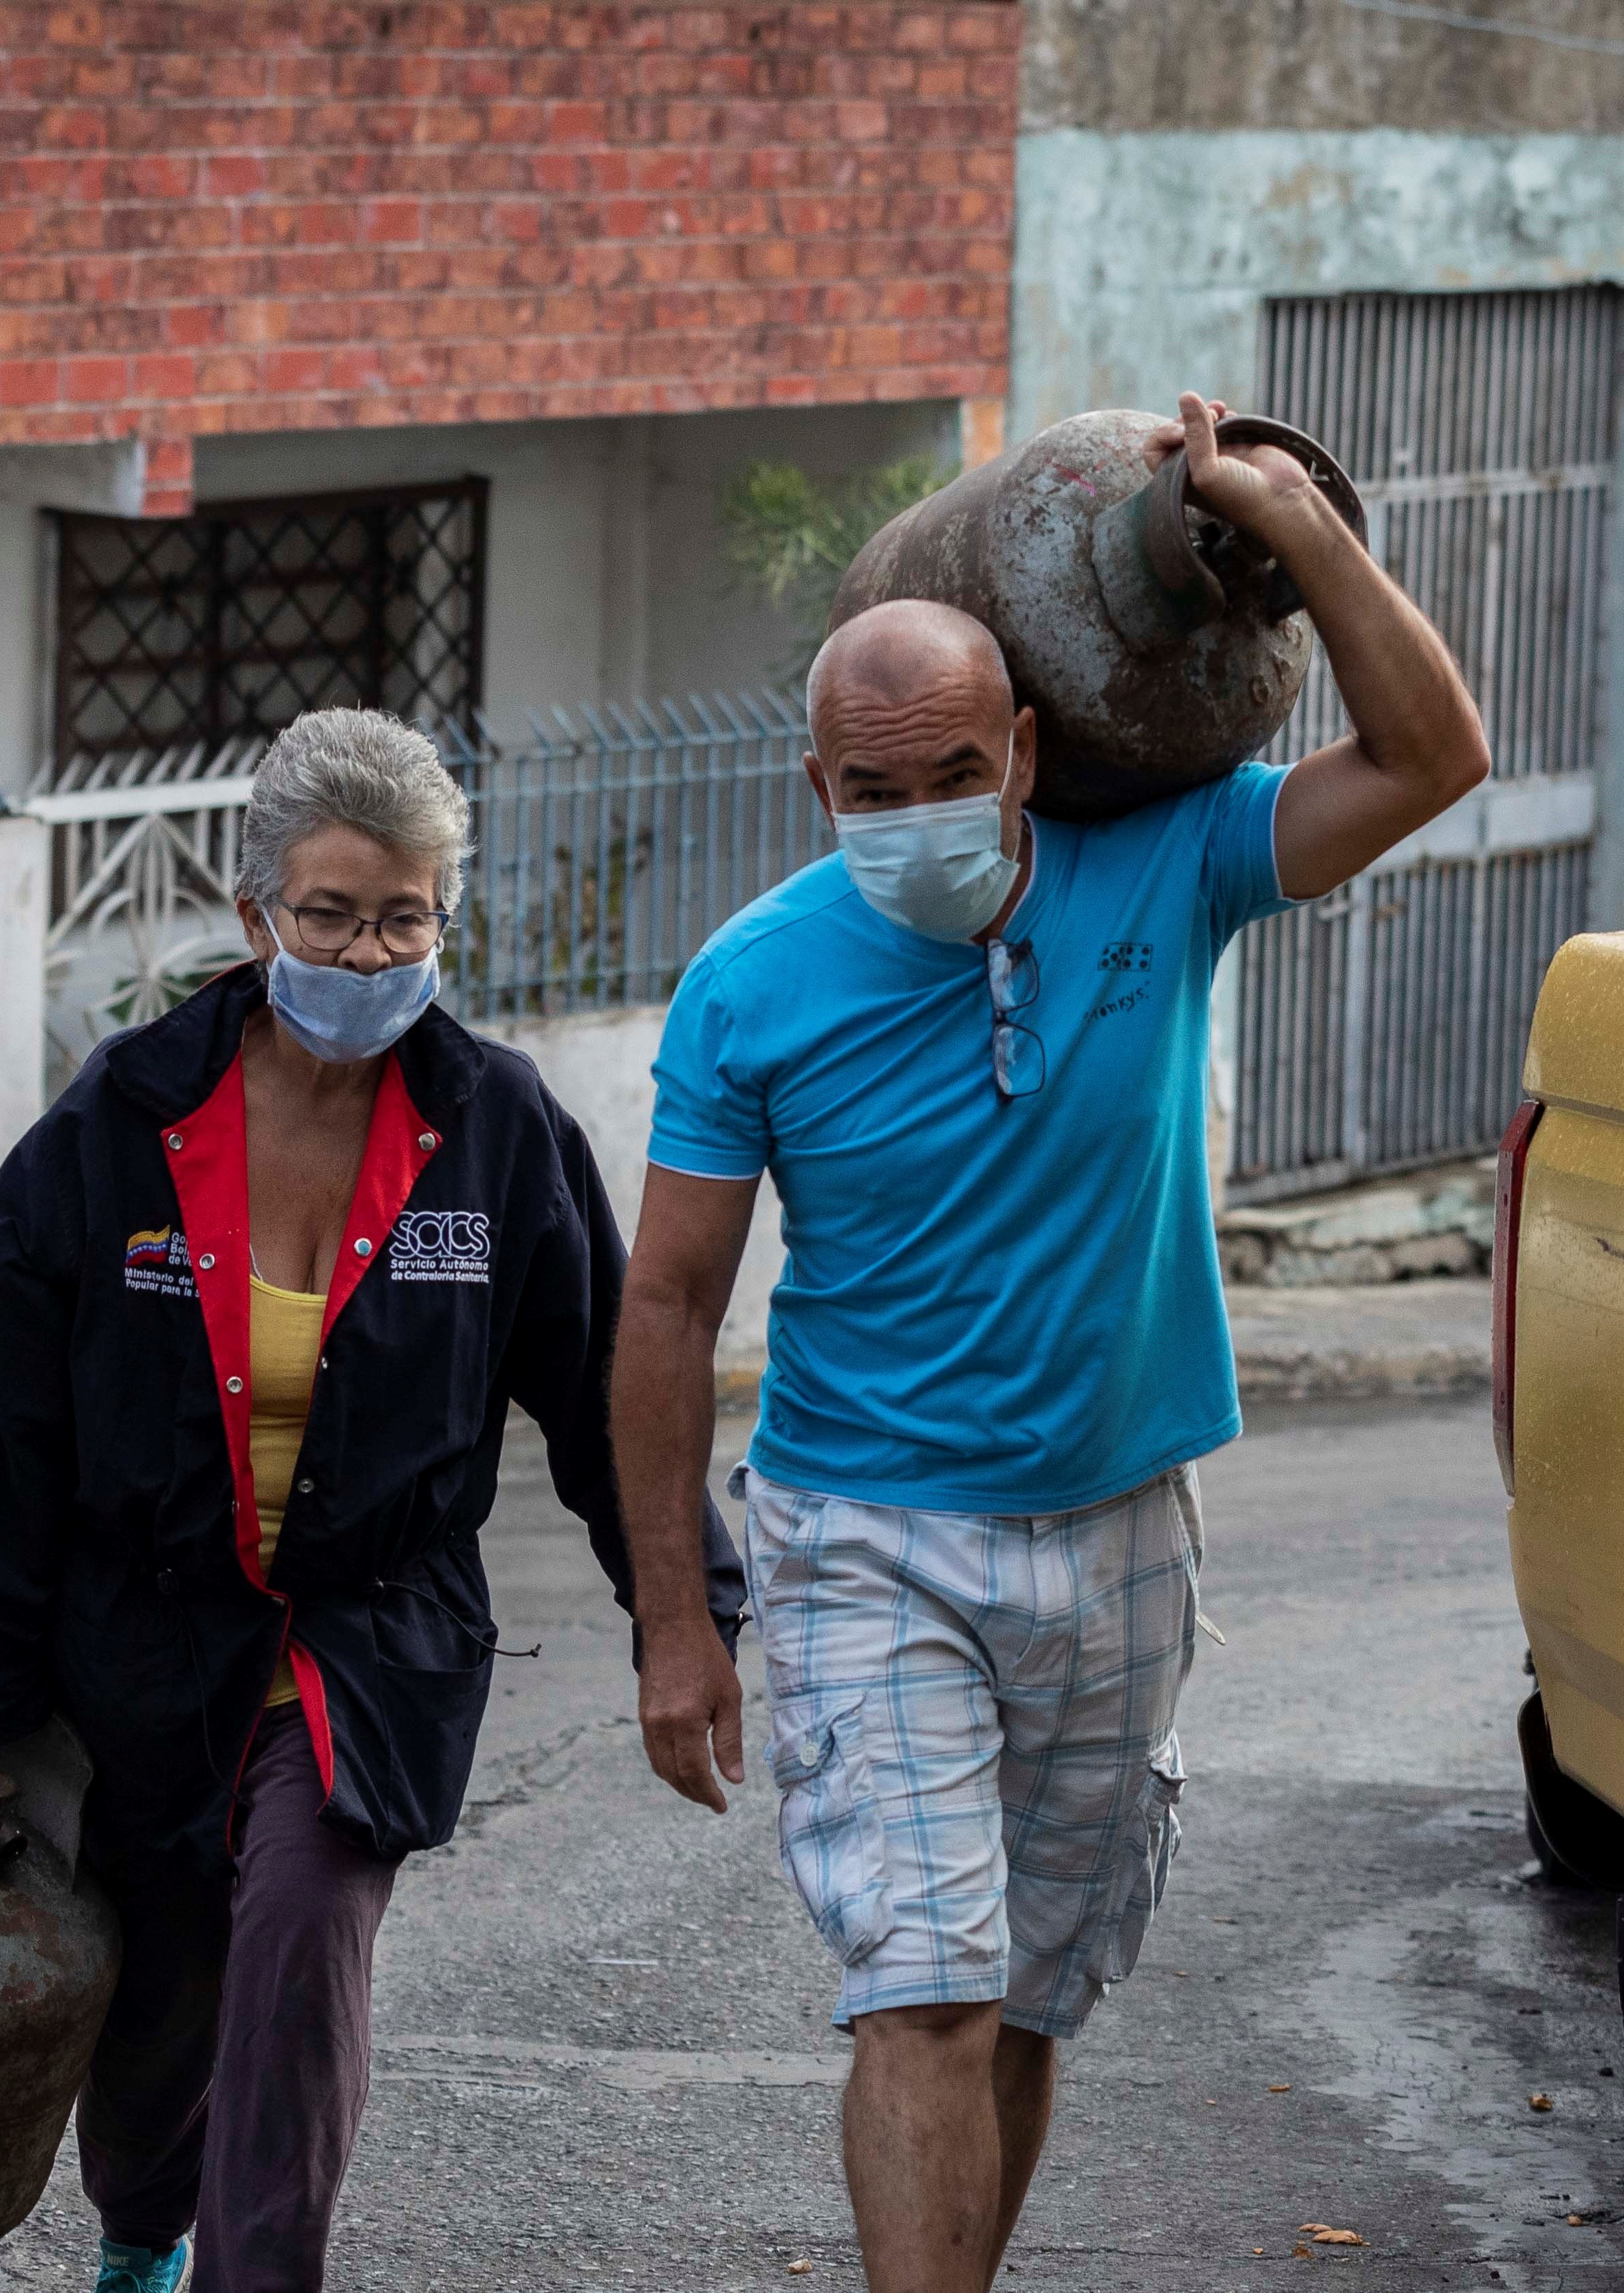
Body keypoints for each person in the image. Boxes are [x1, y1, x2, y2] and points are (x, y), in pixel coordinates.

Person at [610, 396, 1491, 2291]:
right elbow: (668, 1300)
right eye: (871, 784)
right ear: (815, 789)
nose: (912, 811)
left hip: (1120, 1528)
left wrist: (1293, 531)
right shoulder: (754, 980)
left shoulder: (1168, 864)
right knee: (917, 1993)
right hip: (864, 1536)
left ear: (1025, 748)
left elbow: (1434, 756)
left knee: (1019, 2007)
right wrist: (679, 1615)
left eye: (950, 767)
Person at [0, 709, 746, 2293]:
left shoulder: (497, 1134)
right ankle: (143, 2236)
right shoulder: (114, 1128)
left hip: (372, 1643)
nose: (369, 953)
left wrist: (680, 1611)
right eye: (333, 913)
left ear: (447, 918)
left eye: (405, 916)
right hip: (137, 1649)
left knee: (299, 1945)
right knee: (158, 2017)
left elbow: (602, 1391)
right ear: (253, 918)